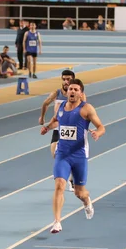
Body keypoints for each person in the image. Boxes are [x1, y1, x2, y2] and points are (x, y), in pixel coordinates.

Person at [40, 79, 105, 234]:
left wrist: (97, 133)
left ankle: (87, 201)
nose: (72, 91)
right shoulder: (61, 107)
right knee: (59, 185)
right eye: (70, 89)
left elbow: (102, 126)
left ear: (81, 93)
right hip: (62, 154)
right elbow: (56, 120)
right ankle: (57, 222)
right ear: (67, 91)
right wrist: (48, 128)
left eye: (76, 89)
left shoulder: (86, 109)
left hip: (79, 156)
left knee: (79, 192)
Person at [39, 69, 87, 191]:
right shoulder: (57, 93)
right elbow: (45, 103)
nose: (66, 81)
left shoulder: (79, 95)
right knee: (55, 154)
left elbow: (84, 109)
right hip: (58, 128)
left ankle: (71, 180)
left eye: (68, 79)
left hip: (73, 130)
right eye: (64, 79)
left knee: (71, 156)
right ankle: (64, 172)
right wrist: (42, 117)